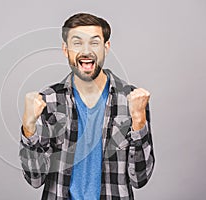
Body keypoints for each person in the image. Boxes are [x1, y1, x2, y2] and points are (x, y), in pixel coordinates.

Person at [19, 13, 155, 200]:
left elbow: (140, 179)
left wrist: (139, 122)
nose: (86, 51)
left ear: (106, 47)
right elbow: (35, 179)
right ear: (65, 50)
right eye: (77, 43)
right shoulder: (48, 101)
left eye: (94, 42)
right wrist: (29, 128)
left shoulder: (131, 100)